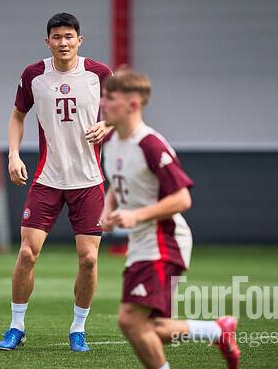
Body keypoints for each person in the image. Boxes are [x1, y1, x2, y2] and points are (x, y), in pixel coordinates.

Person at [100, 69, 240, 369]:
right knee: (152, 328)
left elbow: (182, 199)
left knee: (130, 320)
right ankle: (217, 330)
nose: (102, 103)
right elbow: (119, 180)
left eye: (109, 98)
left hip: (164, 243)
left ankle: (216, 331)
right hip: (142, 244)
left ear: (133, 104)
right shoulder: (110, 141)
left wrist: (136, 214)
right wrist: (107, 208)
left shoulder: (151, 145)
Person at [0, 12, 112, 352]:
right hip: (47, 179)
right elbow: (17, 117)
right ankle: (16, 326)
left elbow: (123, 113)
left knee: (89, 260)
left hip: (88, 181)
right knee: (27, 253)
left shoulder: (100, 74)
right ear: (47, 41)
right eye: (57, 37)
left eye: (69, 36)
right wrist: (13, 155)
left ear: (80, 40)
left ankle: (78, 329)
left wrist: (108, 125)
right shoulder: (33, 75)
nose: (63, 42)